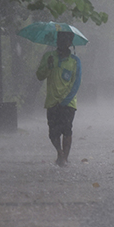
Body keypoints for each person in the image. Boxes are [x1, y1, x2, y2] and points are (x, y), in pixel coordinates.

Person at [36, 31, 82, 167]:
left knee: (67, 130)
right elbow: (40, 76)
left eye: (65, 40)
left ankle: (64, 158)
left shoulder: (75, 61)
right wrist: (48, 66)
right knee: (53, 132)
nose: (61, 43)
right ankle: (60, 153)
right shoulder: (48, 57)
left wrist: (66, 100)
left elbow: (76, 82)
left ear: (69, 43)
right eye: (59, 40)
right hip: (52, 101)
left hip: (69, 102)